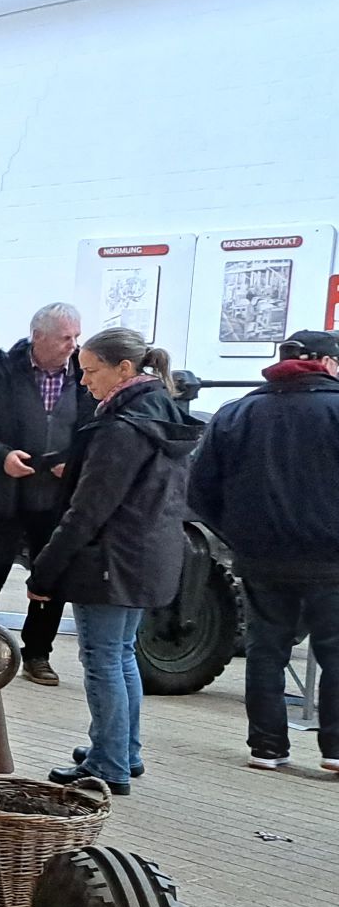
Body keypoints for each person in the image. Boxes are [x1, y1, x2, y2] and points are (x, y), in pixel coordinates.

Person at [30, 328, 201, 794]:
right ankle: (123, 749)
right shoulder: (163, 417)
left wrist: (45, 570)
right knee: (121, 654)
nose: (84, 382)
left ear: (124, 369)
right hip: (146, 554)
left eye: (91, 371)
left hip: (109, 560)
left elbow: (87, 511)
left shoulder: (120, 429)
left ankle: (108, 764)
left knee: (102, 658)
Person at [186, 328, 339, 772]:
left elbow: (199, 490)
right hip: (331, 561)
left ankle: (267, 748)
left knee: (266, 651)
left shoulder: (237, 413)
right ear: (327, 364)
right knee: (335, 654)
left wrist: (239, 537)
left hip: (261, 560)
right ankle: (334, 750)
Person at [0, 304, 86, 685]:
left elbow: (98, 428)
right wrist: (2, 456)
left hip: (56, 497)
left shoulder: (84, 376)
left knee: (51, 576)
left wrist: (74, 461)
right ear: (38, 336)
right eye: (65, 338)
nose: (73, 345)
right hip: (3, 496)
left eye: (76, 337)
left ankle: (38, 654)